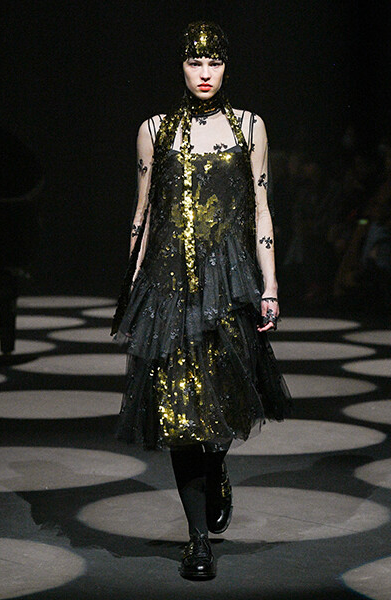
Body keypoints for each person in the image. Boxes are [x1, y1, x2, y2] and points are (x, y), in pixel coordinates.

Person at [112, 21, 291, 580]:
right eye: (195, 62)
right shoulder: (154, 130)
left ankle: (216, 472)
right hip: (169, 287)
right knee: (178, 410)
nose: (205, 73)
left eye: (214, 62)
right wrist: (132, 286)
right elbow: (143, 213)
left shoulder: (250, 127)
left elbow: (260, 208)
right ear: (182, 66)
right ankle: (197, 542)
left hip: (230, 285)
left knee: (224, 403)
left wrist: (270, 286)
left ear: (226, 66)